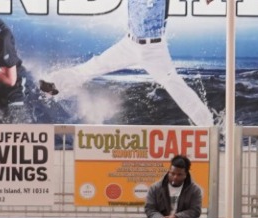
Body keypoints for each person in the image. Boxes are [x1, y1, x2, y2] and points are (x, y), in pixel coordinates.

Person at [38, 0, 211, 127]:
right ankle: (54, 83)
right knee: (96, 64)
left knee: (174, 85)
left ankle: (208, 126)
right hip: (129, 44)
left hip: (154, 50)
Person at [132, 156, 207, 218]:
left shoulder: (195, 190)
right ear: (168, 171)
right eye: (172, 173)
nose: (175, 177)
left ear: (186, 174)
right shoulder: (155, 188)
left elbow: (195, 211)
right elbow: (150, 209)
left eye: (179, 174)